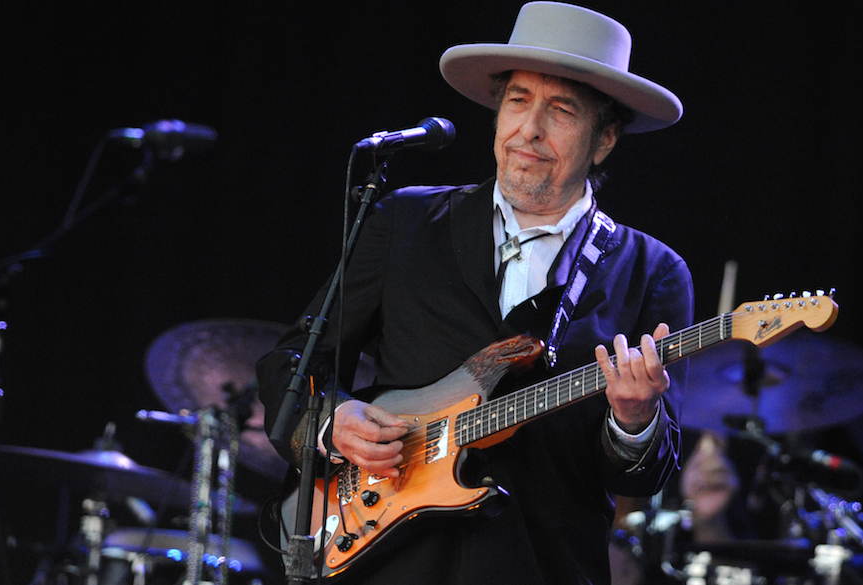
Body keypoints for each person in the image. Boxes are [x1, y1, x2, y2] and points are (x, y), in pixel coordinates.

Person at [257, 2, 694, 584]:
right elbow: (291, 362)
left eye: (560, 110)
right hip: (388, 561)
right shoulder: (404, 221)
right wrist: (332, 419)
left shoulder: (652, 271)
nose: (528, 130)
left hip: (540, 566)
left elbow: (645, 474)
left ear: (605, 139)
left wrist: (634, 417)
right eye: (517, 101)